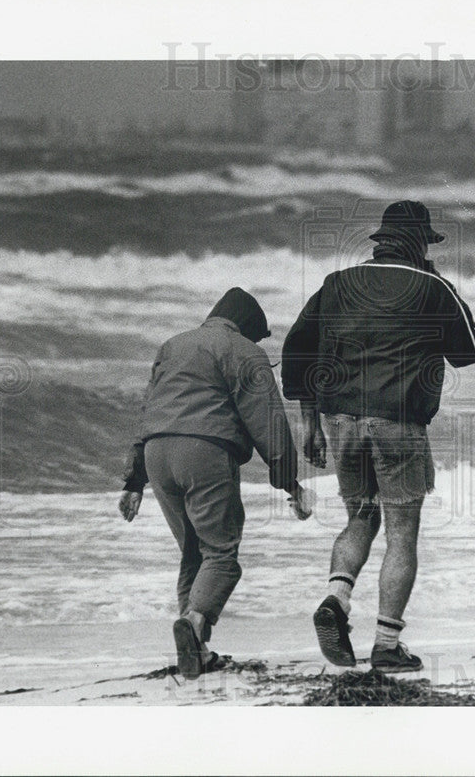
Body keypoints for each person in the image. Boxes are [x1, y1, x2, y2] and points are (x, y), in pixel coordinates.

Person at [281, 200, 475, 673]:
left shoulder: (337, 284)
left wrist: (308, 420)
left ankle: (336, 597)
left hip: (341, 420)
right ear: (419, 244)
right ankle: (387, 644)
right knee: (401, 535)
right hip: (397, 423)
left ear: (380, 241)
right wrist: (437, 288)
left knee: (360, 517)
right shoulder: (432, 286)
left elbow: (297, 349)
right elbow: (470, 350)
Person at [118, 287, 314, 679]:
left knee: (193, 553)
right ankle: (193, 624)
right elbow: (267, 421)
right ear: (245, 327)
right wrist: (290, 481)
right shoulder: (244, 351)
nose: (254, 343)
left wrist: (134, 480)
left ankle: (197, 651)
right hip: (204, 451)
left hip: (157, 454)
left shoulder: (172, 346)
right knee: (221, 555)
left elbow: (147, 410)